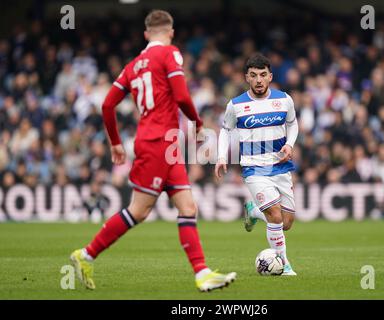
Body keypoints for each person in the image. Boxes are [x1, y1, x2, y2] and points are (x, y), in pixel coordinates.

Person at [70, 10, 236, 292]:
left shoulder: (133, 65)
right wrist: (197, 122)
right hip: (158, 142)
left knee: (187, 206)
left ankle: (202, 273)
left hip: (161, 142)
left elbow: (108, 105)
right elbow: (182, 96)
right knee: (138, 211)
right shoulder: (170, 54)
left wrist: (115, 143)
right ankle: (85, 255)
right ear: (170, 32)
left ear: (146, 34)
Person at [215, 53, 298, 276]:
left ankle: (253, 210)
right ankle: (284, 263)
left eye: (263, 75)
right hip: (253, 168)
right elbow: (225, 131)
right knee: (275, 215)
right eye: (253, 75)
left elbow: (293, 124)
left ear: (270, 76)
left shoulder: (284, 100)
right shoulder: (236, 105)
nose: (259, 80)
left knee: (287, 222)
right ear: (247, 78)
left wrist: (290, 145)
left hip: (280, 166)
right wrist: (221, 156)